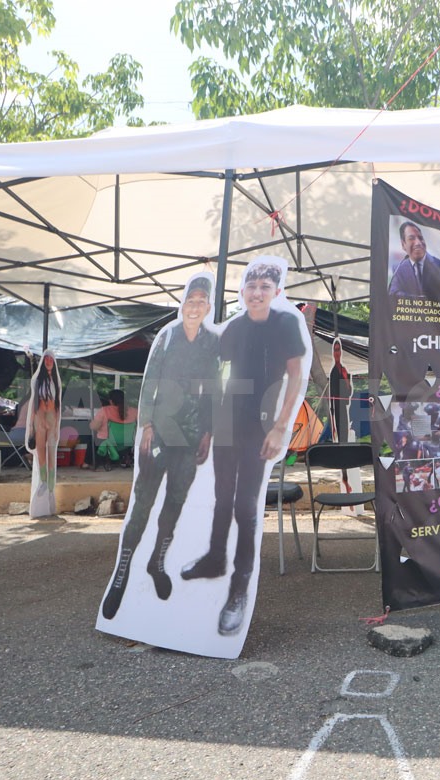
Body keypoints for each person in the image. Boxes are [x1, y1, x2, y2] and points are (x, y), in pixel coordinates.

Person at [180, 258, 308, 637]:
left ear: (276, 291)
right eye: (251, 287)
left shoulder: (285, 324)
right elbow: (219, 379)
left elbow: (296, 376)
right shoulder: (234, 328)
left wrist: (280, 427)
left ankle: (239, 588)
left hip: (260, 424)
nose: (257, 293)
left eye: (264, 287)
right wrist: (207, 429)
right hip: (226, 422)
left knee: (245, 505)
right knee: (221, 498)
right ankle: (215, 558)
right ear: (243, 291)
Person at [101, 274, 220, 621]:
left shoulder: (212, 342)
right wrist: (148, 425)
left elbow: (213, 389)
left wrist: (208, 432)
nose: (195, 307)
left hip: (191, 436)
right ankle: (122, 571)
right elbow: (150, 381)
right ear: (183, 305)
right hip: (161, 433)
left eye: (201, 301)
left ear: (208, 306)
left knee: (175, 501)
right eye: (190, 301)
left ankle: (157, 561)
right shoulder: (167, 337)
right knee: (144, 501)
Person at [25, 351, 62, 514]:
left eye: (50, 359)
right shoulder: (38, 381)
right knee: (41, 450)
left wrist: (57, 423)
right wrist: (31, 427)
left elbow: (58, 403)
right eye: (46, 359)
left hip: (52, 415)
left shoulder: (56, 381)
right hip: (40, 414)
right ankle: (43, 481)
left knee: (51, 451)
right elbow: (34, 402)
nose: (48, 361)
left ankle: (51, 486)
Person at [388, 221, 440, 298]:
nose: (418, 243)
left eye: (420, 238)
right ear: (403, 245)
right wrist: (419, 301)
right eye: (411, 238)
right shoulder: (398, 269)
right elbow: (393, 294)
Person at [90, 389, 139, 466]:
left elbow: (94, 427)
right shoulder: (134, 411)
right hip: (127, 445)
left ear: (111, 401)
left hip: (107, 444)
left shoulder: (104, 410)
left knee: (90, 439)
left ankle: (87, 463)